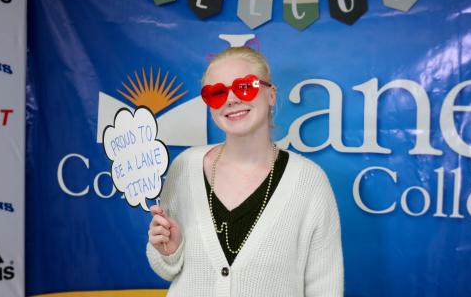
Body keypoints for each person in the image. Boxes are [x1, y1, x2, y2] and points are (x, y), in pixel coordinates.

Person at [146, 46, 343, 296]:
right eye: (217, 93)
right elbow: (167, 269)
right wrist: (169, 251)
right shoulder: (184, 167)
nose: (231, 100)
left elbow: (325, 286)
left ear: (270, 95)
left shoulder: (309, 181)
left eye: (244, 87)